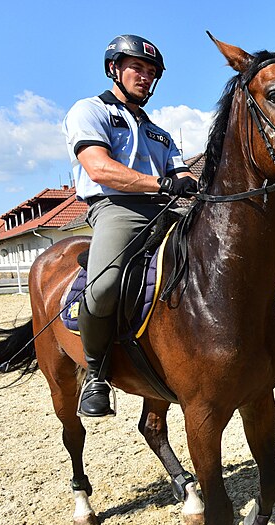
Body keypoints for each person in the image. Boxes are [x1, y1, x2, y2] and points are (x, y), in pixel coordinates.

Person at [62, 34, 198, 418]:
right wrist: (162, 183)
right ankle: (96, 372)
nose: (145, 76)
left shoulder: (160, 133)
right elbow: (98, 167)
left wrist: (199, 185)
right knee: (104, 285)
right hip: (116, 208)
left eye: (151, 72)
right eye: (137, 67)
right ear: (114, 69)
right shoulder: (90, 111)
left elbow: (182, 173)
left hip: (164, 208)